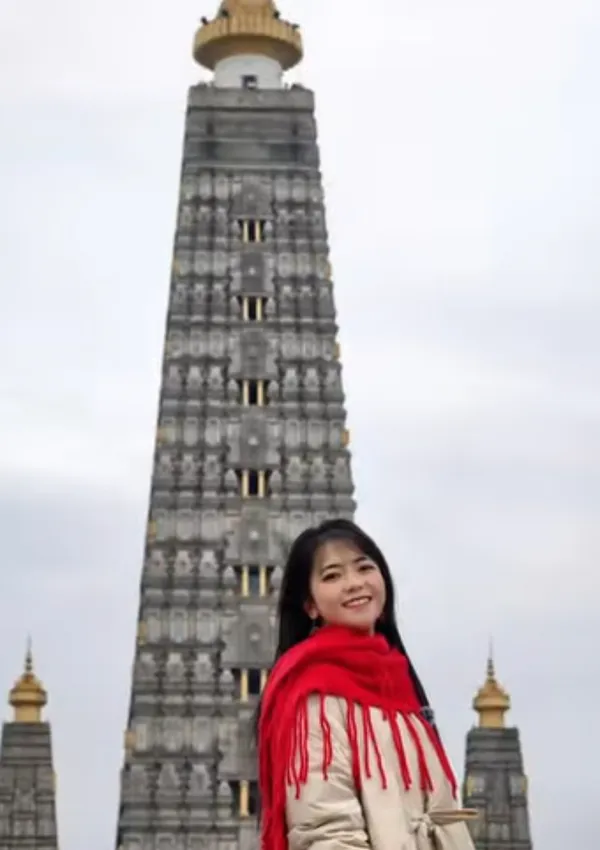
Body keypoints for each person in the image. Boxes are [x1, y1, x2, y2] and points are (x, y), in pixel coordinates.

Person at [257, 518, 478, 850]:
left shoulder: (397, 680)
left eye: (364, 568)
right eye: (333, 576)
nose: (354, 583)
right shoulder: (314, 695)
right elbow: (327, 832)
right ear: (310, 605)